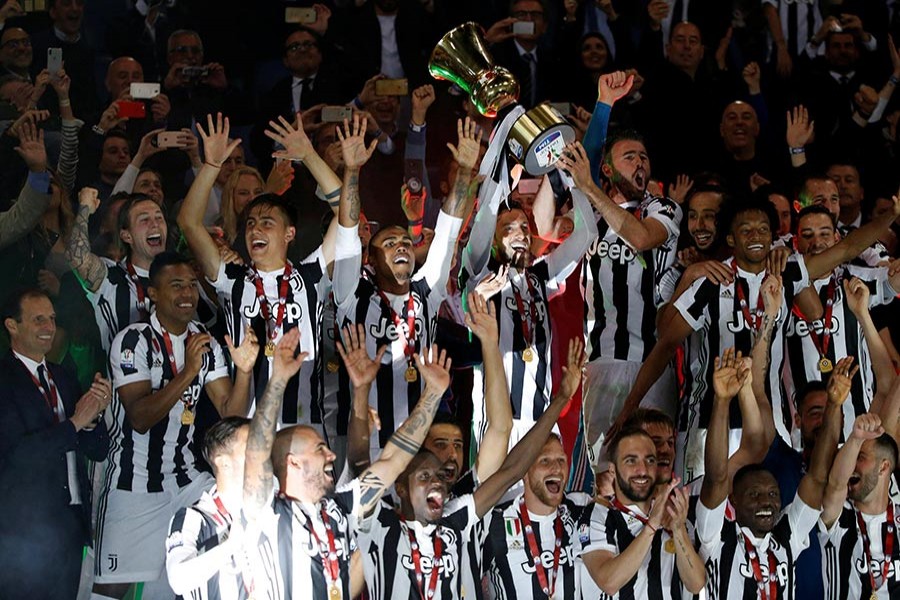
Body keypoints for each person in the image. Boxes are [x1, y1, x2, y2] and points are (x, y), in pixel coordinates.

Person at [617, 196, 900, 479]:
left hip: (771, 426)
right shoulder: (711, 282)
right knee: (702, 513)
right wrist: (631, 405)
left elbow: (846, 250)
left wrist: (892, 216)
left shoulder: (787, 274)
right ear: (730, 237)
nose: (756, 237)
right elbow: (665, 345)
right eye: (746, 230)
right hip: (707, 423)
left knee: (764, 511)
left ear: (773, 236)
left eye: (763, 230)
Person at [357, 338, 584, 600]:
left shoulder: (459, 513)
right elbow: (360, 464)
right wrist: (363, 394)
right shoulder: (383, 520)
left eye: (458, 445)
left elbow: (509, 458)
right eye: (439, 446)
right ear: (401, 485)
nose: (450, 455)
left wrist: (491, 340)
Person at [239, 327, 453, 598]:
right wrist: (278, 380)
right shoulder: (266, 512)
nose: (331, 455)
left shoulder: (343, 507)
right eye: (320, 449)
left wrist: (433, 394)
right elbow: (257, 452)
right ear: (292, 463)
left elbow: (393, 459)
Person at [93, 252, 258, 599]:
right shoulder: (132, 340)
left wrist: (244, 370)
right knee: (111, 588)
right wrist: (187, 373)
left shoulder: (204, 342)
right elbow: (140, 418)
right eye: (176, 285)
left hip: (185, 479)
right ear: (153, 294)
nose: (187, 293)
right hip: (133, 482)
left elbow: (231, 411)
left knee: (185, 576)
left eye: (192, 285)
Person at [177, 112, 340, 429]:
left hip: (303, 428)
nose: (255, 230)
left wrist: (309, 155)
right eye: (250, 224)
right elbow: (188, 223)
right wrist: (210, 166)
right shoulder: (231, 279)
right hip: (248, 427)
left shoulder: (311, 275)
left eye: (267, 223)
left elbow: (347, 213)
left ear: (289, 234)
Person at [331, 114, 477, 450]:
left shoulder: (427, 290)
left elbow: (449, 231)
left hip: (420, 440)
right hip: (365, 441)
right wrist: (352, 172)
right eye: (390, 243)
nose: (401, 246)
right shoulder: (352, 292)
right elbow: (348, 235)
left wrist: (466, 173)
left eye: (406, 242)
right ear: (371, 259)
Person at [461, 136, 596, 450]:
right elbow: (482, 220)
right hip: (495, 423)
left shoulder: (541, 275)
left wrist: (576, 179)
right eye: (508, 228)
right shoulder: (479, 272)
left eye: (523, 226)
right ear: (494, 240)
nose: (519, 233)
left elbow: (587, 232)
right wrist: (505, 156)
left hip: (542, 422)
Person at [564, 126, 682, 466]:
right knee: (606, 466)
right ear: (607, 169)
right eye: (629, 157)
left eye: (644, 157)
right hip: (602, 361)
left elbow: (642, 239)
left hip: (652, 363)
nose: (640, 164)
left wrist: (588, 188)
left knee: (657, 464)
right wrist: (562, 176)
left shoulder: (663, 208)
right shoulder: (589, 217)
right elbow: (545, 227)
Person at [697, 347, 845, 600]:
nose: (766, 501)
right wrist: (721, 401)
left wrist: (834, 406)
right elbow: (716, 478)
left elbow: (817, 477)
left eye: (773, 494)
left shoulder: (788, 539)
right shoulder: (716, 537)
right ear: (732, 500)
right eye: (754, 494)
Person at [0, 287, 110, 599]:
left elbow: (97, 449)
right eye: (38, 320)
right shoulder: (3, 381)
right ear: (12, 325)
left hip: (70, 529)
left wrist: (93, 416)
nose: (49, 327)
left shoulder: (62, 377)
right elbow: (18, 457)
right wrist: (75, 422)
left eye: (51, 319)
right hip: (23, 535)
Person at [66, 188, 215, 352]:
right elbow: (77, 258)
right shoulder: (110, 277)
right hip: (127, 375)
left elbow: (212, 328)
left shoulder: (185, 278)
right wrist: (85, 209)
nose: (155, 224)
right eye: (144, 220)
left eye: (159, 218)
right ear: (126, 236)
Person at [580, 426, 706, 598]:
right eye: (631, 461)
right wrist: (651, 525)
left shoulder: (675, 512)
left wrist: (678, 529)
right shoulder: (597, 515)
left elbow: (696, 584)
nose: (642, 470)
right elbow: (609, 582)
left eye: (650, 460)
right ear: (612, 469)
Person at [165, 416, 253, 598]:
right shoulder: (194, 517)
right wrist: (232, 545)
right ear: (224, 463)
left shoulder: (271, 508)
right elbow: (178, 580)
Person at [819, 412, 900, 598]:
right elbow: (836, 484)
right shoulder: (839, 515)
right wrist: (855, 439)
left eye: (860, 458)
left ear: (883, 467)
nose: (852, 466)